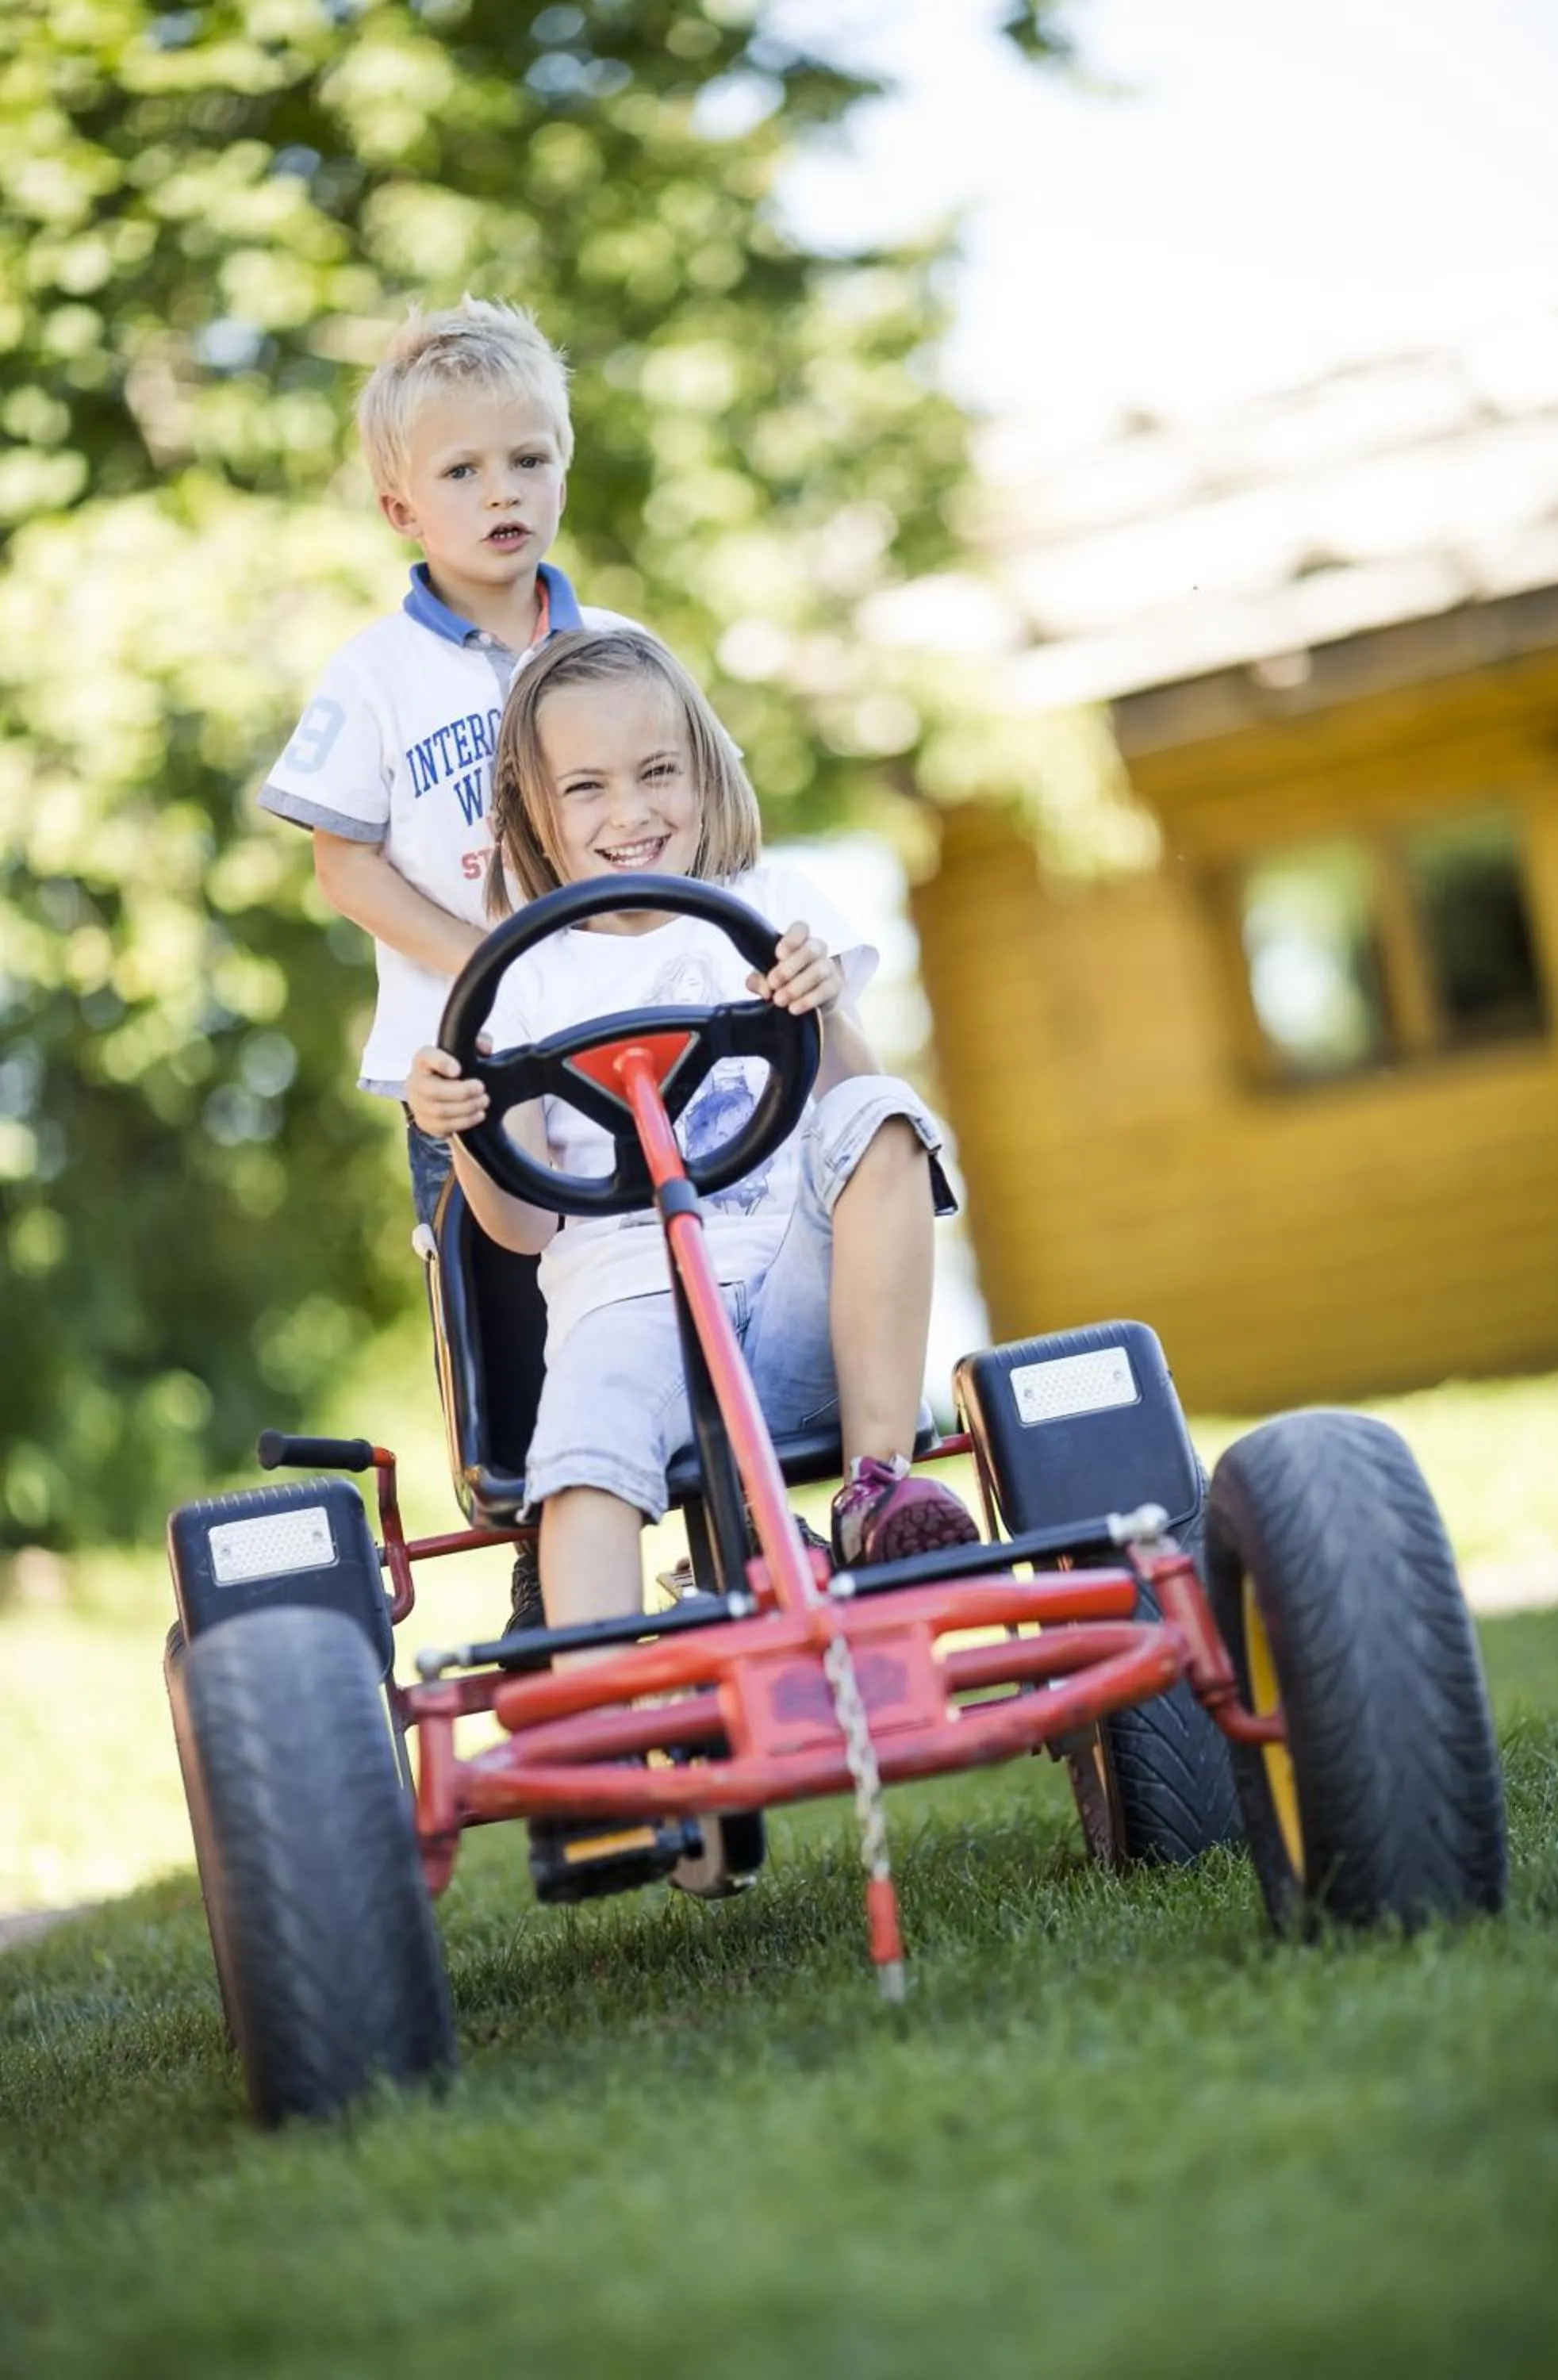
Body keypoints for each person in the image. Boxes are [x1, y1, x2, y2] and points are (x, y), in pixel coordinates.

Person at [405, 627, 980, 1637]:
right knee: (579, 1469)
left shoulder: (766, 910)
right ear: (535, 812)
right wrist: (464, 1125)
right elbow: (522, 1230)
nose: (630, 813)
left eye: (657, 772)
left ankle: (874, 1489)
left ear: (704, 773)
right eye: (586, 789)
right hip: (631, 1317)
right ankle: (605, 1708)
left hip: (804, 1311)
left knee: (887, 1114)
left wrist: (822, 1007)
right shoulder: (516, 982)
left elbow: (862, 1123)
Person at [256, 295, 645, 1229]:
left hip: (631, 1033)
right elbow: (343, 863)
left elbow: (705, 825)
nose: (502, 492)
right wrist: (487, 964)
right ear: (402, 509)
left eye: (526, 461)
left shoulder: (626, 652)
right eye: (462, 472)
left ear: (562, 469)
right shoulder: (374, 676)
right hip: (465, 1065)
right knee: (504, 1325)